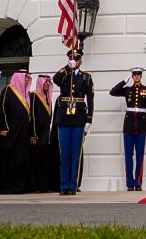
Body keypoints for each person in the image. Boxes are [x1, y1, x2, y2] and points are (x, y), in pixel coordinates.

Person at [52, 48, 94, 196]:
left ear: (80, 61)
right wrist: (67, 68)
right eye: (71, 59)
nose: (74, 61)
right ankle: (64, 185)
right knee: (65, 153)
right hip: (64, 116)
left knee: (75, 153)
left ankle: (72, 185)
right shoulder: (64, 75)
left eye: (76, 59)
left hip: (79, 117)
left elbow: (90, 99)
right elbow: (55, 80)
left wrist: (89, 119)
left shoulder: (86, 77)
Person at [110, 67, 146, 191]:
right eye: (134, 74)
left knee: (140, 156)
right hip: (129, 126)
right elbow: (112, 92)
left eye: (138, 74)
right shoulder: (127, 89)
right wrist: (124, 81)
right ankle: (130, 183)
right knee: (128, 156)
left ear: (141, 76)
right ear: (132, 76)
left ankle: (138, 183)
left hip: (141, 126)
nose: (136, 76)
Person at [0, 70, 34, 194]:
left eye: (28, 78)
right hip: (11, 133)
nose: (26, 80)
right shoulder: (8, 90)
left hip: (23, 133)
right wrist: (3, 127)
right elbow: (2, 110)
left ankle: (19, 186)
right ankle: (8, 187)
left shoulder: (26, 94)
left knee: (21, 159)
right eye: (25, 77)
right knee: (11, 160)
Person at [30, 73, 59, 193]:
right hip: (37, 135)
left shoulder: (48, 99)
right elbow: (32, 116)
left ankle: (43, 186)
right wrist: (33, 133)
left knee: (44, 161)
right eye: (45, 81)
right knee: (36, 161)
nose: (47, 84)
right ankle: (35, 186)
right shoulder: (34, 96)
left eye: (48, 82)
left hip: (46, 135)